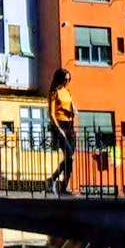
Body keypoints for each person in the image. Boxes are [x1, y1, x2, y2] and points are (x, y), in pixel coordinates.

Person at [46, 67, 77, 196]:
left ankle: (63, 186)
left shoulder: (67, 92)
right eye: (65, 79)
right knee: (70, 156)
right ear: (60, 79)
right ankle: (53, 178)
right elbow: (51, 113)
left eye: (69, 79)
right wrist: (59, 129)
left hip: (70, 125)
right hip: (60, 125)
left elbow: (72, 106)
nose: (67, 81)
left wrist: (74, 110)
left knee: (70, 159)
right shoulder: (54, 92)